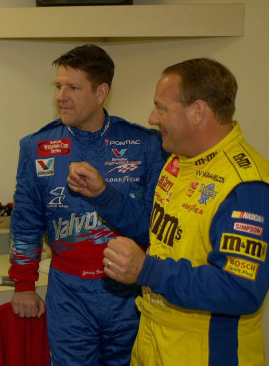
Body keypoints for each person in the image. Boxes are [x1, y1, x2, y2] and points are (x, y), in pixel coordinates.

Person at [69, 58, 269, 366]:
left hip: (207, 354)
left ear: (198, 111)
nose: (152, 118)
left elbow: (240, 289)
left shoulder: (245, 186)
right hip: (153, 342)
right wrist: (104, 196)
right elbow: (158, 233)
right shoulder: (177, 161)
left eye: (161, 108)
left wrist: (146, 270)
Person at [9, 44, 166, 365]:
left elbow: (158, 225)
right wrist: (23, 284)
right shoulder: (36, 146)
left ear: (101, 92)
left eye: (73, 87)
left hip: (129, 293)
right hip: (69, 294)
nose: (61, 96)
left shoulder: (145, 143)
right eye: (58, 86)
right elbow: (26, 221)